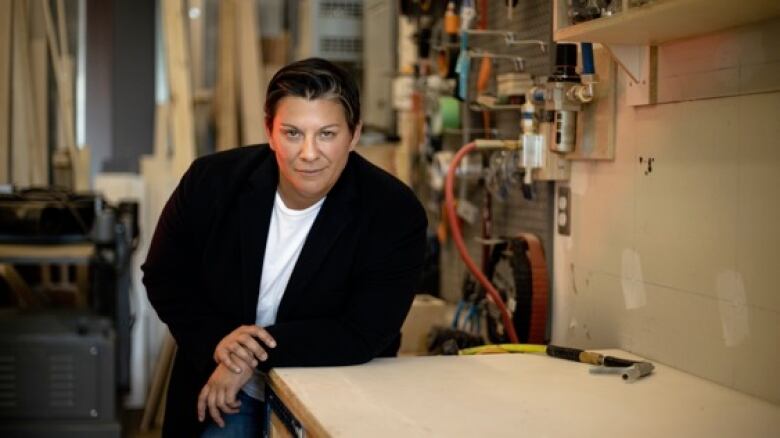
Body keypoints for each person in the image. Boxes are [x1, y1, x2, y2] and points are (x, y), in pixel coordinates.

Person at [142, 57, 427, 437]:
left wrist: (248, 355)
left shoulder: (393, 211)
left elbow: (364, 330)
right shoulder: (211, 183)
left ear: (354, 134)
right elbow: (165, 277)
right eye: (293, 133)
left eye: (327, 134)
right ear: (269, 130)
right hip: (221, 387)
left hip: (328, 390)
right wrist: (218, 344)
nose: (309, 153)